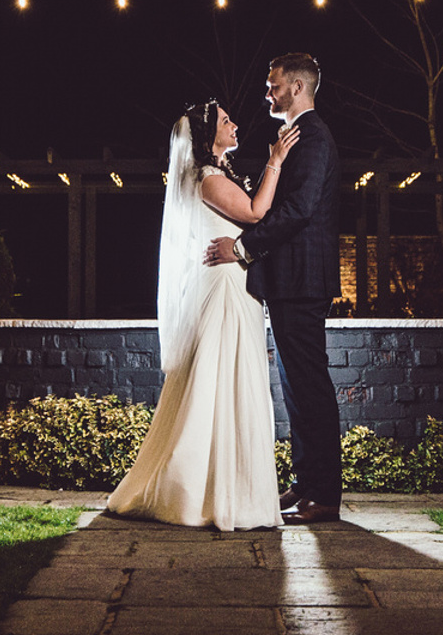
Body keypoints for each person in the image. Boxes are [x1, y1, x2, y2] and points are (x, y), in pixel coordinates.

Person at [106, 100, 299, 531]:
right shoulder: (208, 178)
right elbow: (254, 213)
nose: (235, 125)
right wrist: (276, 162)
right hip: (225, 290)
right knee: (222, 383)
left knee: (231, 382)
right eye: (226, 121)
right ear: (209, 134)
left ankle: (227, 489)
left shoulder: (216, 174)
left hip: (234, 283)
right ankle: (197, 491)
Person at [205, 53, 342, 524]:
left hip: (302, 281)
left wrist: (242, 248)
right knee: (297, 388)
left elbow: (300, 210)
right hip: (290, 282)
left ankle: (324, 495)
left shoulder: (315, 137)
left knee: (309, 387)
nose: (267, 93)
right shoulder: (296, 138)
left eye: (274, 85)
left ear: (298, 88)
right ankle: (306, 485)